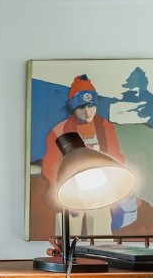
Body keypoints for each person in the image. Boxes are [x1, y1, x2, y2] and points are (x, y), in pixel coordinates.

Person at [41, 74, 130, 235]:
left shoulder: (106, 127)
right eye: (81, 107)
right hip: (69, 190)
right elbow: (51, 166)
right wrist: (61, 191)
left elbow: (116, 157)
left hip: (101, 189)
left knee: (101, 239)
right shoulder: (59, 131)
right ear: (73, 108)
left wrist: (116, 186)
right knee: (67, 236)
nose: (87, 112)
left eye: (91, 106)